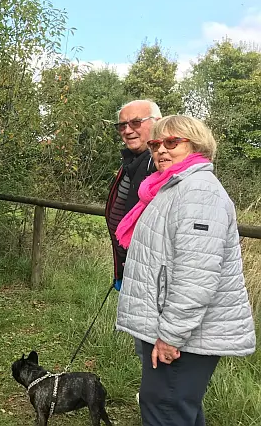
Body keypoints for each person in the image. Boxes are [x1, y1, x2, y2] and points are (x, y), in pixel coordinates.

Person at [115, 115, 256, 426]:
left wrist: (171, 335)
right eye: (155, 144)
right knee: (178, 409)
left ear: (197, 145)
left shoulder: (198, 192)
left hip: (185, 334)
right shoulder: (173, 186)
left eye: (171, 142)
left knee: (163, 409)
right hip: (178, 327)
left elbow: (197, 275)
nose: (160, 150)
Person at [105, 99, 161, 364]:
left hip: (154, 277)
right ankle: (156, 398)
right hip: (133, 269)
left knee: (154, 351)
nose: (128, 130)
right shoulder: (133, 161)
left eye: (136, 122)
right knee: (144, 348)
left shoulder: (158, 163)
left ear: (156, 123)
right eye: (122, 125)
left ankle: (160, 401)